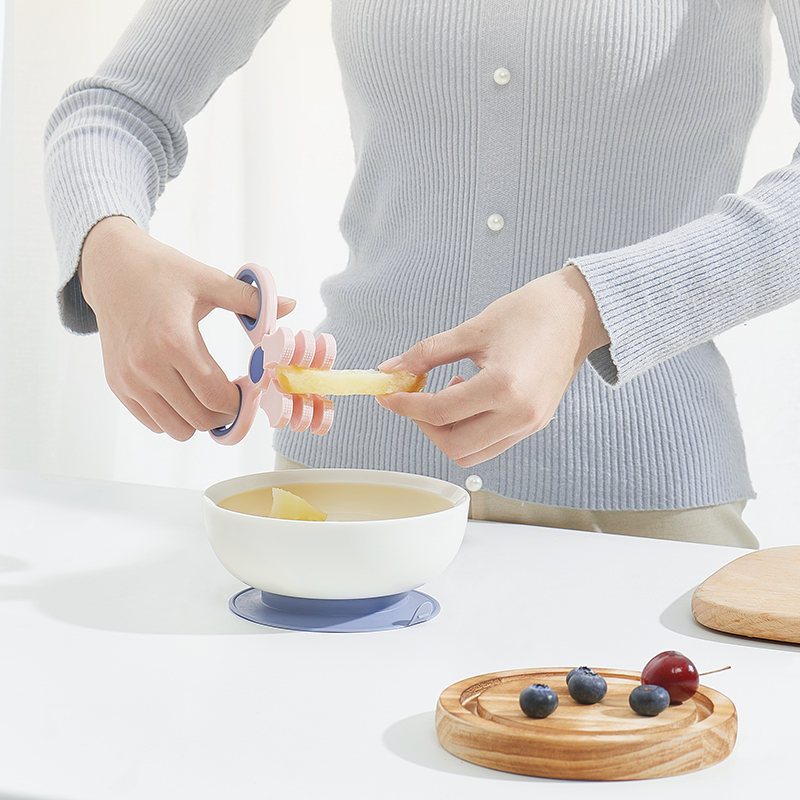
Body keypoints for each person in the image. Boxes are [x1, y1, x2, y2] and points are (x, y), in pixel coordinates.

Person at [45, 0, 800, 547]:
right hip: (344, 508)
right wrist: (110, 252)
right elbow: (113, 109)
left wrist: (591, 305)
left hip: (640, 518)